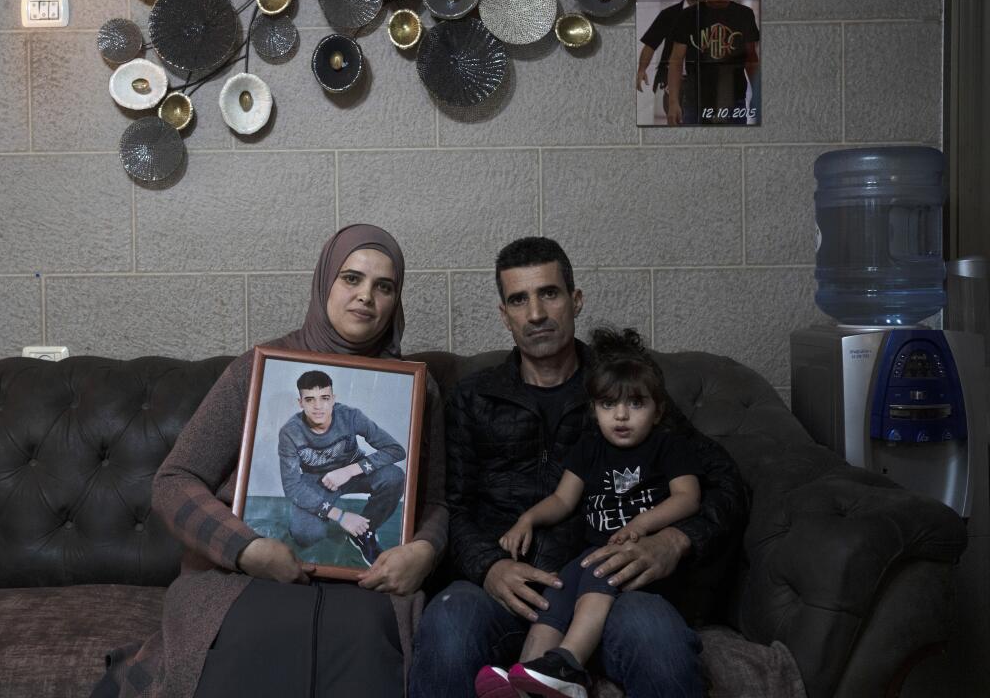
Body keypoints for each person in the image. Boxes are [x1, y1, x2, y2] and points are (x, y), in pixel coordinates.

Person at [94, 224, 447, 698]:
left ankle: (359, 538)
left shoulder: (418, 389)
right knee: (255, 639)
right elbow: (174, 480)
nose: (366, 297)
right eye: (351, 279)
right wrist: (245, 549)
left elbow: (438, 500)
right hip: (255, 569)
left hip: (365, 587)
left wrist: (423, 550)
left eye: (384, 286)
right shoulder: (256, 371)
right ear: (325, 282)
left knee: (367, 650)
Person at [408, 236, 748, 698]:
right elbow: (453, 504)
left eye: (549, 293)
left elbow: (725, 480)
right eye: (518, 300)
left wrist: (675, 541)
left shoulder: (623, 390)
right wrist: (489, 567)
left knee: (658, 642)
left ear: (576, 300)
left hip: (608, 590)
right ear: (503, 315)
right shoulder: (473, 398)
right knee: (448, 623)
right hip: (502, 591)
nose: (536, 314)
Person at [477, 328, 703, 698]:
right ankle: (527, 676)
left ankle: (569, 666)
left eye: (636, 404)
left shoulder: (667, 446)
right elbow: (563, 500)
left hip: (639, 563)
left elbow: (687, 497)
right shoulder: (589, 449)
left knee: (600, 569)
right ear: (595, 408)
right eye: (608, 405)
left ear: (658, 410)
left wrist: (643, 524)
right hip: (592, 556)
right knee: (556, 592)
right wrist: (527, 519)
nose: (622, 415)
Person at [278, 369, 407, 566]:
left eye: (325, 398)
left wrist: (349, 470)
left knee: (395, 476)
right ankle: (324, 521)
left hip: (353, 472)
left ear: (333, 399)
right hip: (317, 481)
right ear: (300, 403)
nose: (318, 406)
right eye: (310, 399)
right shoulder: (290, 432)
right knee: (306, 535)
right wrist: (341, 515)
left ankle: (364, 531)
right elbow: (292, 486)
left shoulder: (350, 416)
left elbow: (396, 450)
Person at [666, 0, 761, 126]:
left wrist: (758, 95)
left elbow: (751, 59)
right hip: (696, 99)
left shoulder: (743, 15)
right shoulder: (689, 16)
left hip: (734, 99)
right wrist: (673, 102)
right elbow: (676, 60)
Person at [635, 0, 703, 117]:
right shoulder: (669, 14)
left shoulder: (712, 15)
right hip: (672, 81)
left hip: (703, 81)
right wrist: (641, 69)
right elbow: (651, 44)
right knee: (674, 122)